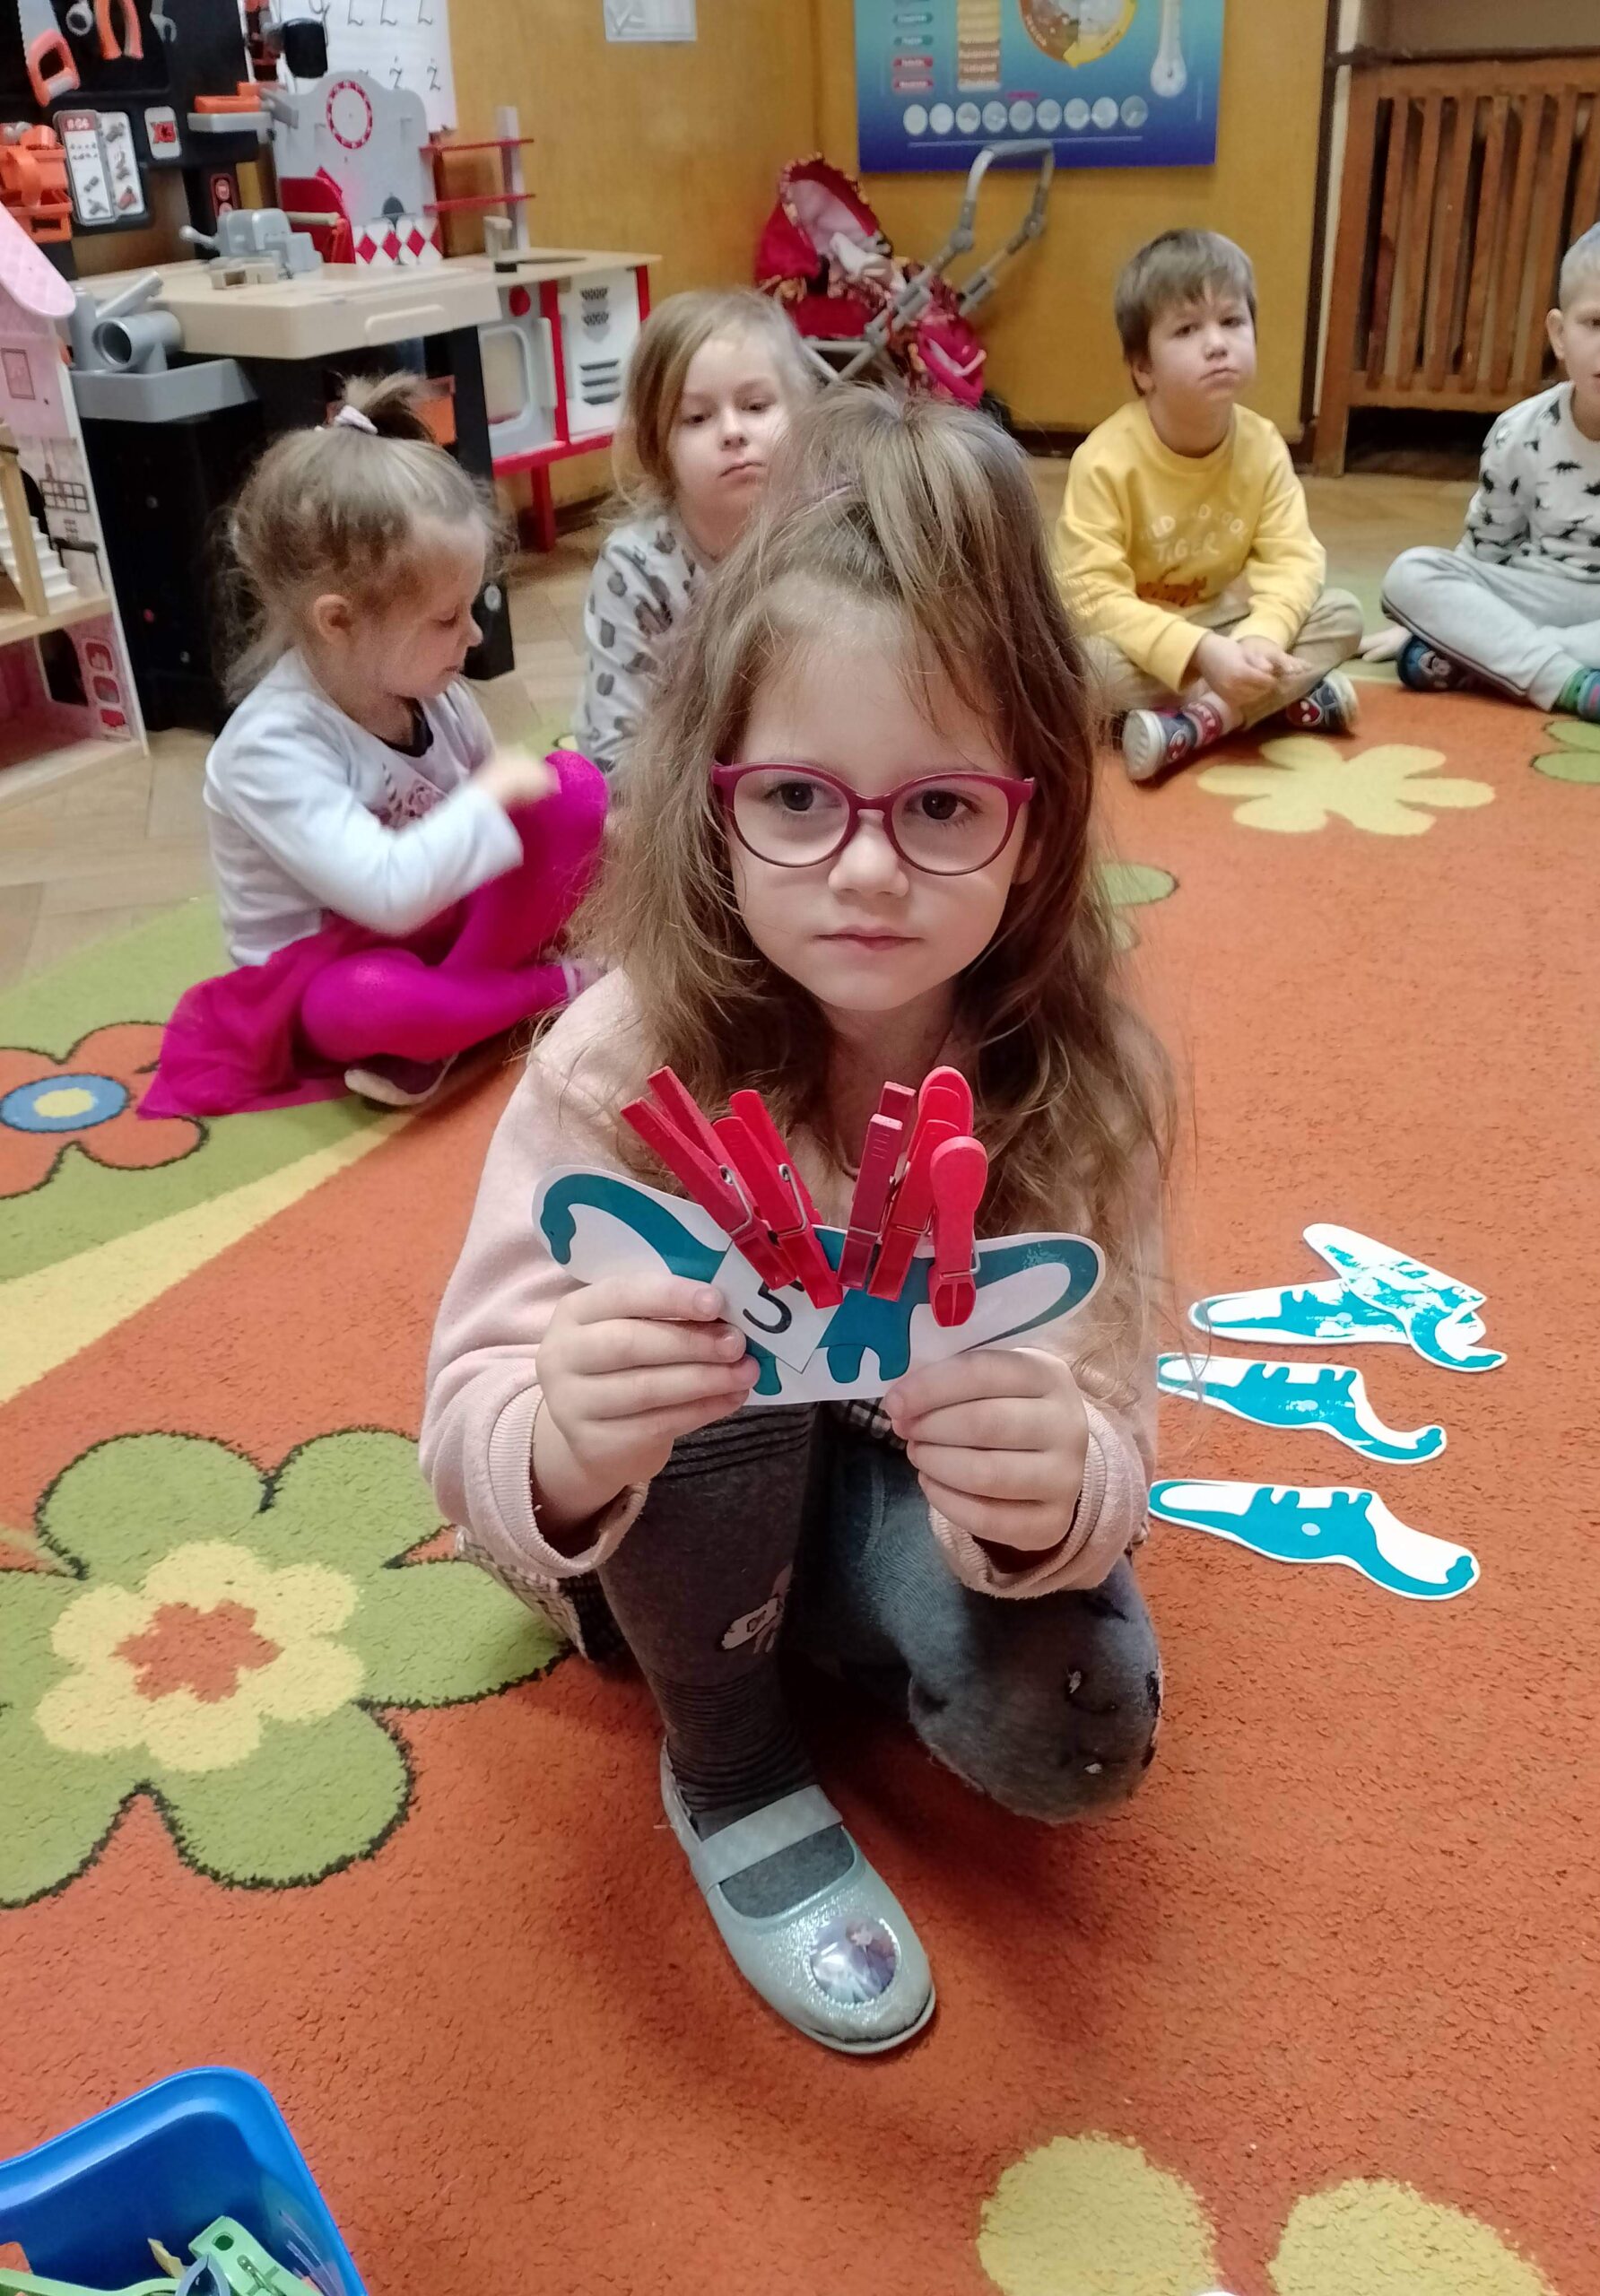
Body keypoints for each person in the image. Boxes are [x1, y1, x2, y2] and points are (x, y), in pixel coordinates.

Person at [423, 388, 1173, 2055]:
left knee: (1078, 1723)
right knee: (700, 1358)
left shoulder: (1077, 1081)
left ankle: (813, 1620)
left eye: (942, 807)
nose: (867, 871)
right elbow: (467, 1420)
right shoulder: (617, 1062)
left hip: (895, 1491)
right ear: (718, 806)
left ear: (1033, 824)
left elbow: (1114, 1409)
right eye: (798, 801)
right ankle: (732, 1743)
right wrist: (564, 1442)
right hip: (671, 1512)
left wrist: (1057, 1490)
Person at [143, 375, 606, 1120]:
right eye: (446, 618)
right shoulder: (267, 747)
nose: (474, 635)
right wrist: (491, 797)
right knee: (367, 1002)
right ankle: (551, 989)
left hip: (438, 922)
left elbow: (504, 830)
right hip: (320, 973)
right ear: (338, 621)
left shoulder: (430, 691)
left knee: (575, 786)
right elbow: (388, 896)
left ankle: (449, 1020)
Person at [1378, 203, 1600, 739]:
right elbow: (1484, 552)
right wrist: (1429, 615)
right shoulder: (1518, 430)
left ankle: (1491, 662)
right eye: (1595, 323)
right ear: (1560, 334)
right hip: (1537, 592)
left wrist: (1461, 635)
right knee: (1412, 574)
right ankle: (1582, 685)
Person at [1053, 228, 1362, 782]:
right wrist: (1201, 653)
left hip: (1225, 628)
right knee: (1077, 673)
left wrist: (1259, 639)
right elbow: (1089, 595)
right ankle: (1276, 700)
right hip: (1135, 644)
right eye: (1187, 329)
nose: (1217, 344)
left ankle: (1200, 721)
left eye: (1232, 321)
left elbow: (1292, 559)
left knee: (1340, 614)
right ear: (1143, 369)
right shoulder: (1103, 460)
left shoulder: (1263, 445)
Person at [574, 287, 815, 773]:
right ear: (656, 446)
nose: (732, 432)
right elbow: (614, 752)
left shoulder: (827, 530)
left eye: (756, 406)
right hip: (676, 779)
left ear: (800, 412)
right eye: (697, 418)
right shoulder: (637, 568)